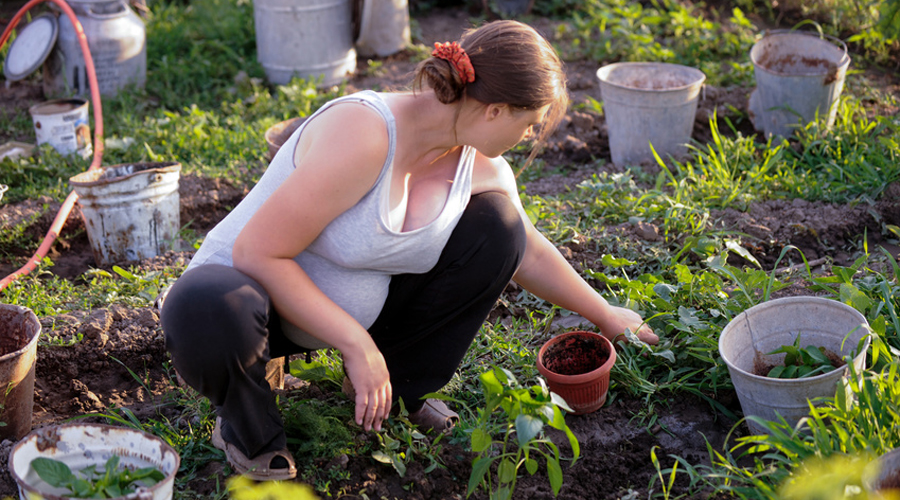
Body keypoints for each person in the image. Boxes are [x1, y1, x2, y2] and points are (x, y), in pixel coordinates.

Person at [160, 19, 658, 482]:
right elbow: (257, 253)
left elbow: (529, 253)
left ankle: (395, 391)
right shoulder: (366, 133)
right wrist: (357, 345)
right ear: (495, 110)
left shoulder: (478, 165)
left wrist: (607, 313)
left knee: (500, 228)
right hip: (246, 308)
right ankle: (248, 425)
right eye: (529, 123)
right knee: (208, 304)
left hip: (334, 317)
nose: (528, 137)